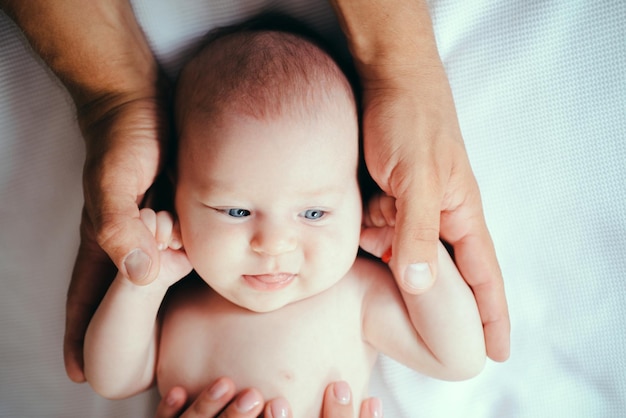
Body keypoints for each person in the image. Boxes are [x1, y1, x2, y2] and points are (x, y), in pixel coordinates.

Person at [83, 26, 486, 417]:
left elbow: (459, 359)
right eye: (236, 211)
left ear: (357, 196)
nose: (273, 244)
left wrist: (414, 248)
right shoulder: (177, 300)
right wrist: (142, 285)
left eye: (313, 214)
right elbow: (111, 380)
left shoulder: (356, 294)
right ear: (178, 194)